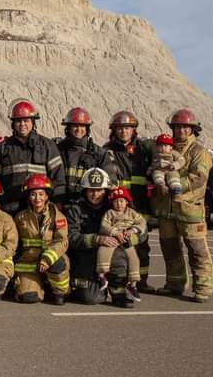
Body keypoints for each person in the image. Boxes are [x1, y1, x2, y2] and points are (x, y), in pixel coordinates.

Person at [151, 109, 213, 303]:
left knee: (197, 250)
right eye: (177, 127)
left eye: (185, 127)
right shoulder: (165, 149)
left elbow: (199, 177)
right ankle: (175, 284)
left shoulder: (199, 152)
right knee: (170, 250)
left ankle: (203, 287)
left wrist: (176, 185)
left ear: (193, 129)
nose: (181, 131)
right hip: (167, 211)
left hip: (190, 210)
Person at [65, 168, 144, 308]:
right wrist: (97, 239)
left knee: (121, 257)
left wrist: (130, 238)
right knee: (91, 298)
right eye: (91, 190)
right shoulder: (75, 209)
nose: (95, 194)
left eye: (100, 190)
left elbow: (143, 233)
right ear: (84, 191)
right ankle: (91, 286)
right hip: (86, 255)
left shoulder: (118, 206)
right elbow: (71, 237)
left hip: (114, 250)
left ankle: (118, 292)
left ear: (106, 190)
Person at [102, 110, 155, 292]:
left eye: (127, 128)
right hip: (118, 209)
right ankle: (120, 281)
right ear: (114, 130)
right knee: (118, 246)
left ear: (134, 130)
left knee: (142, 247)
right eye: (120, 128)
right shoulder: (107, 151)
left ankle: (141, 282)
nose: (124, 132)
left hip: (140, 208)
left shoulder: (144, 150)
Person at [0, 99, 65, 214]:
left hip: (40, 209)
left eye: (26, 120)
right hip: (10, 209)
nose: (22, 124)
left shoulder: (48, 146)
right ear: (13, 124)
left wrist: (57, 203)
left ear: (33, 122)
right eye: (18, 121)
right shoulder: (2, 148)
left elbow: (58, 178)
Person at [13, 174, 69, 305]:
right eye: (33, 194)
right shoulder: (20, 217)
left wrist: (47, 258)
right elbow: (15, 243)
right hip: (29, 261)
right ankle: (38, 287)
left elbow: (62, 241)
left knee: (58, 263)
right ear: (28, 196)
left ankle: (61, 291)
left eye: (41, 194)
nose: (37, 198)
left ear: (47, 196)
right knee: (28, 298)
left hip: (52, 257)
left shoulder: (57, 216)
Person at [96, 187, 146, 302]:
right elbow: (104, 225)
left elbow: (141, 222)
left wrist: (132, 231)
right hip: (112, 238)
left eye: (122, 201)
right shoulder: (110, 213)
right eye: (116, 201)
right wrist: (114, 232)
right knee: (103, 252)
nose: (119, 204)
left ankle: (132, 284)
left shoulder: (132, 213)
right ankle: (102, 276)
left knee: (134, 259)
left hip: (126, 239)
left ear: (127, 201)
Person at [56, 107, 117, 203]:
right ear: (68, 128)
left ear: (87, 129)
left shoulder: (98, 153)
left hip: (88, 206)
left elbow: (110, 180)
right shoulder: (58, 150)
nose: (79, 129)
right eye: (75, 126)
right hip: (62, 202)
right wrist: (58, 201)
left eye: (82, 126)